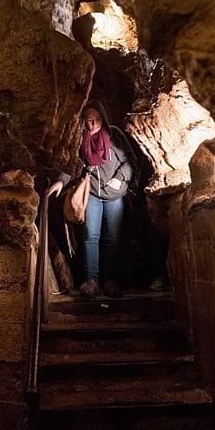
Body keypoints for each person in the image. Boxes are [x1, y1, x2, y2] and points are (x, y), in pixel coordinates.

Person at [47, 100, 135, 298]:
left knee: (112, 238)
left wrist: (119, 178)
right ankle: (92, 281)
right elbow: (73, 165)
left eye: (96, 120)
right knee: (90, 236)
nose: (92, 125)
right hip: (93, 193)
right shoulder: (80, 139)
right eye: (88, 120)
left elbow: (130, 161)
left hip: (115, 194)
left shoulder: (114, 136)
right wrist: (61, 182)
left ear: (103, 119)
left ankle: (111, 281)